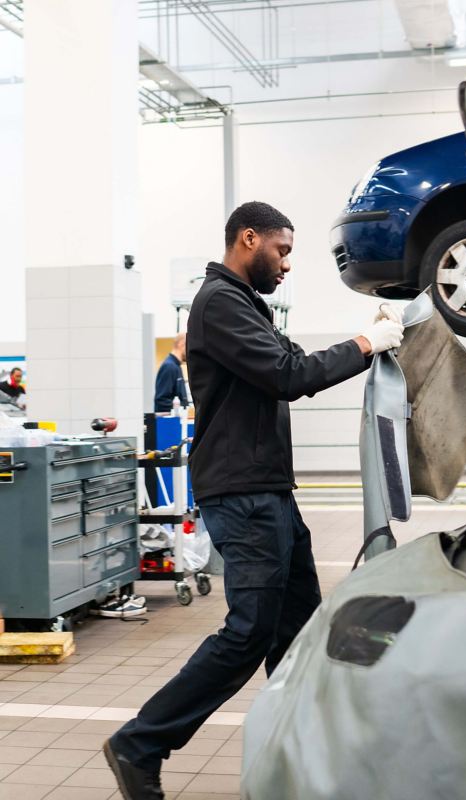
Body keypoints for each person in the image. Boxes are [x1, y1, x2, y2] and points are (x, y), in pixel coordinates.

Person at [104, 201, 405, 799]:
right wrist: (364, 344)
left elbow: (293, 363)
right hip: (243, 493)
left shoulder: (246, 306)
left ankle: (299, 755)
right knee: (249, 631)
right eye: (283, 250)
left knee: (294, 632)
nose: (288, 263)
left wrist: (362, 341)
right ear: (249, 239)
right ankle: (140, 744)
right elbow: (288, 377)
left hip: (269, 490)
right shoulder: (219, 303)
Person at [153, 333, 188, 413]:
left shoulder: (176, 366)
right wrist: (180, 407)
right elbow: (161, 400)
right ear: (181, 344)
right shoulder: (169, 367)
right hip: (170, 422)